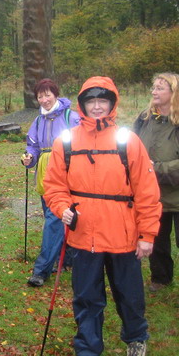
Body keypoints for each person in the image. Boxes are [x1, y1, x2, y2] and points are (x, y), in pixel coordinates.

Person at [44, 76, 161, 356]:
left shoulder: (127, 140)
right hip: (84, 236)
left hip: (123, 235)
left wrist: (147, 234)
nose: (97, 107)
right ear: (82, 105)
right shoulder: (67, 141)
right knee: (86, 297)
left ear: (112, 103)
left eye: (103, 101)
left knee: (129, 295)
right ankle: (87, 347)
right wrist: (63, 209)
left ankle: (136, 337)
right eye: (91, 101)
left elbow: (147, 190)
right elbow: (54, 186)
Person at [21, 78, 80, 287]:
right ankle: (67, 259)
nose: (44, 100)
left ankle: (41, 270)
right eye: (40, 96)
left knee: (54, 220)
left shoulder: (71, 118)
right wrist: (28, 158)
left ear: (55, 94)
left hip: (66, 173)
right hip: (45, 174)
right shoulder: (38, 121)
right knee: (58, 217)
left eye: (47, 95)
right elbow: (33, 146)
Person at [133, 72, 179, 292]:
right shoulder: (144, 118)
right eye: (154, 87)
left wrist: (156, 168)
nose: (154, 92)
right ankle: (160, 279)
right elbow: (132, 147)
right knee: (157, 239)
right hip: (153, 195)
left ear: (173, 92)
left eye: (160, 88)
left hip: (177, 195)